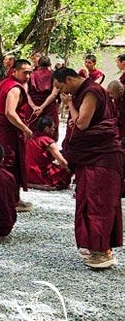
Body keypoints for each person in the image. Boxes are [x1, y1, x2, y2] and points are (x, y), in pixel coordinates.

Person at [54, 67, 123, 269]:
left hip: (102, 157)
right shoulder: (86, 91)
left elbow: (82, 123)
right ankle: (99, 249)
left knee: (99, 203)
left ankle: (102, 252)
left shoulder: (91, 91)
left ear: (69, 79)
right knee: (88, 199)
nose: (61, 92)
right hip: (92, 156)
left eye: (61, 87)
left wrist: (69, 105)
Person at [0, 59, 33, 211]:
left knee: (8, 161)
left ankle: (13, 197)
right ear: (14, 71)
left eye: (30, 73)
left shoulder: (4, 82)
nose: (27, 76)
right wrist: (26, 129)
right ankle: (7, 199)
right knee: (9, 161)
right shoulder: (14, 88)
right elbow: (10, 113)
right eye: (24, 72)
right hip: (7, 129)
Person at [25, 116, 71, 190]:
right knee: (65, 174)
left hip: (27, 174)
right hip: (40, 175)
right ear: (46, 128)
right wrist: (69, 170)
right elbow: (62, 162)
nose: (54, 129)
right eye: (53, 127)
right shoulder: (47, 141)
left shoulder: (31, 137)